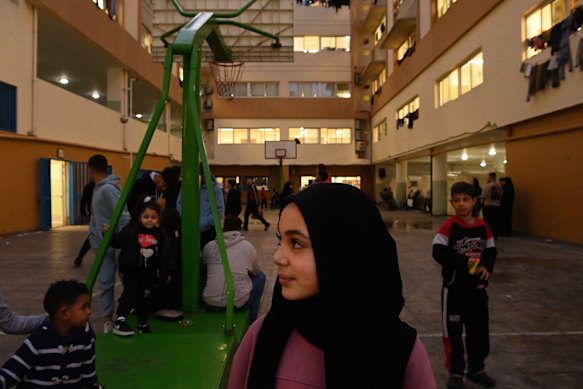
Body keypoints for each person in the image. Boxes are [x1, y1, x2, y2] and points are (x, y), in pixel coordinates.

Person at [229, 183, 436, 389]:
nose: (278, 257)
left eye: (297, 243)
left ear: (344, 252)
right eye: (279, 240)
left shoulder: (400, 351)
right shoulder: (264, 334)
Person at [432, 182, 497, 389]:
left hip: (477, 291)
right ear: (451, 203)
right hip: (454, 291)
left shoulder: (482, 226)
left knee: (478, 331)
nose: (461, 204)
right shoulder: (449, 227)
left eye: (465, 200)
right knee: (453, 333)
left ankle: (476, 368)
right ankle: (456, 371)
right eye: (457, 200)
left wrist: (486, 265)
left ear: (474, 201)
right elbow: (438, 252)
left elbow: (491, 250)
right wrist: (462, 262)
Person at [0, 280, 102, 388]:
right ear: (64, 313)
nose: (89, 311)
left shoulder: (85, 336)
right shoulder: (38, 340)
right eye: (83, 307)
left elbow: (89, 374)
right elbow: (11, 372)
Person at [105, 196, 171, 336]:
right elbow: (117, 242)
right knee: (130, 293)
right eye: (146, 216)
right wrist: (108, 234)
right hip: (132, 270)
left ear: (158, 218)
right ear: (139, 217)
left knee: (144, 298)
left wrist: (165, 272)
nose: (149, 219)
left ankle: (142, 322)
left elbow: (165, 253)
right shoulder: (131, 229)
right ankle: (121, 319)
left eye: (153, 217)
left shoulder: (159, 234)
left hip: (149, 273)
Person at [87, 154, 131, 334]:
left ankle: (125, 312)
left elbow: (123, 215)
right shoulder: (99, 189)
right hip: (103, 244)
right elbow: (96, 217)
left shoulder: (107, 190)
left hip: (114, 243)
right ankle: (107, 318)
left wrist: (121, 239)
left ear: (91, 169)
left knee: (126, 278)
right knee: (105, 281)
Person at [201, 216, 266, 323]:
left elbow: (204, 269)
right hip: (238, 304)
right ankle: (253, 317)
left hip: (210, 303)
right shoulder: (247, 247)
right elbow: (256, 272)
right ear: (240, 228)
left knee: (204, 276)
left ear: (223, 228)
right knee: (261, 277)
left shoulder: (209, 246)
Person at [176, 171, 225, 251]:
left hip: (207, 229)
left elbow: (219, 209)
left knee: (208, 254)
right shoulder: (187, 186)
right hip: (188, 227)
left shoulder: (214, 188)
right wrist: (185, 219)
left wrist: (206, 222)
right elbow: (179, 203)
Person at [74, 180, 95, 266]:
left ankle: (80, 256)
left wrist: (83, 212)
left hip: (93, 215)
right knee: (94, 236)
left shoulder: (89, 186)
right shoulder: (104, 186)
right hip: (100, 215)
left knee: (92, 237)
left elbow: (83, 201)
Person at [482, 172, 503, 238]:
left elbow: (484, 195)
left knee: (488, 221)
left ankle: (489, 235)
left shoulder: (488, 186)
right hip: (497, 205)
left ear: (491, 177)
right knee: (495, 221)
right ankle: (495, 235)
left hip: (489, 205)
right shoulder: (499, 186)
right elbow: (501, 196)